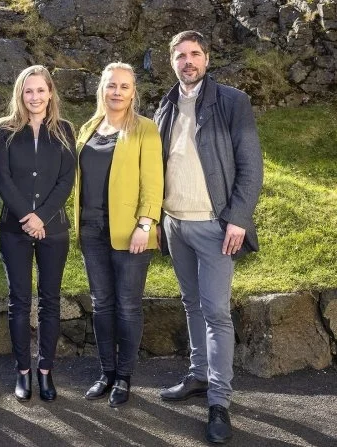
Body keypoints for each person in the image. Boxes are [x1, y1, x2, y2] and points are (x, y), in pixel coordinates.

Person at [154, 30, 263, 444]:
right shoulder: (164, 106)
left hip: (215, 226)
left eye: (195, 54)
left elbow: (251, 166)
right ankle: (199, 376)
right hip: (175, 223)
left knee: (216, 311)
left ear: (207, 58)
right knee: (191, 302)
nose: (188, 61)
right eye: (180, 55)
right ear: (172, 62)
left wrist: (237, 218)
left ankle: (219, 400)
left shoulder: (232, 101)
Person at [74, 62, 163, 408]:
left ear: (133, 92)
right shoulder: (88, 128)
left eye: (125, 86)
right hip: (92, 230)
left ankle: (124, 377)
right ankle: (105, 372)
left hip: (130, 233)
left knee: (127, 306)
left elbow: (153, 182)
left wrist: (145, 224)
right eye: (112, 85)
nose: (117, 92)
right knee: (101, 304)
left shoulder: (145, 129)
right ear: (102, 89)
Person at [0, 65, 76, 402]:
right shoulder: (5, 132)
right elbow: (2, 178)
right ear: (20, 94)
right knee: (19, 301)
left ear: (50, 93)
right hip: (14, 229)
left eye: (41, 90)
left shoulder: (65, 131)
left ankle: (45, 371)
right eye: (29, 91)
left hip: (53, 229)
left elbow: (66, 180)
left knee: (50, 301)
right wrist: (27, 217)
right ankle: (22, 372)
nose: (35, 97)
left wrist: (41, 217)